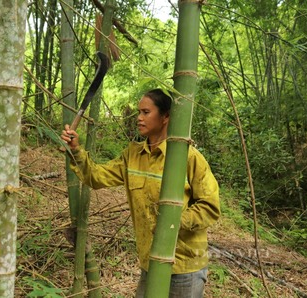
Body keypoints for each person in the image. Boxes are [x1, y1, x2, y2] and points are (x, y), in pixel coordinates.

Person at [61, 88, 220, 297]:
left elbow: (210, 207)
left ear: (166, 117)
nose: (139, 118)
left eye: (146, 112)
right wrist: (76, 150)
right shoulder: (133, 154)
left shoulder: (188, 157)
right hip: (150, 261)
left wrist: (171, 223)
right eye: (139, 112)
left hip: (184, 266)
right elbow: (97, 177)